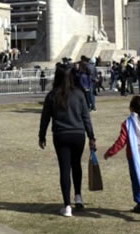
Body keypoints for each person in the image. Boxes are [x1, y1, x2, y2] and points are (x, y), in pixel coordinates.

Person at [38, 65, 96, 218]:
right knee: (76, 165)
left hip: (61, 134)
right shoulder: (79, 94)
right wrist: (91, 136)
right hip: (78, 134)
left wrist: (41, 135)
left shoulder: (52, 95)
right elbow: (86, 117)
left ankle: (67, 205)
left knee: (64, 168)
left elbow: (45, 118)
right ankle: (78, 196)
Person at [103, 95, 140, 222]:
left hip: (134, 158)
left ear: (132, 109)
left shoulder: (128, 123)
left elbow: (121, 141)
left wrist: (110, 152)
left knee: (137, 181)